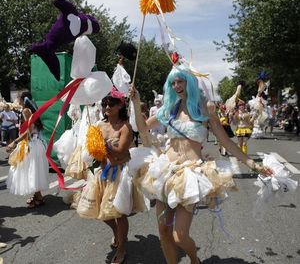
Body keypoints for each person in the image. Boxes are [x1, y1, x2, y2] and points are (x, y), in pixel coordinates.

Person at [129, 64, 272, 264]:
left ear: (190, 82)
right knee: (163, 232)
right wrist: (136, 103)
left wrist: (252, 164)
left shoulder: (205, 107)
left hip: (190, 175)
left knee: (180, 236)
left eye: (181, 81)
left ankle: (194, 260)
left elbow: (225, 141)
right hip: (165, 173)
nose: (177, 85)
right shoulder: (170, 107)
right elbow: (143, 129)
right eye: (173, 82)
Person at [93, 89, 146, 264]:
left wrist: (101, 144)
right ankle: (116, 233)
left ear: (119, 106)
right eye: (105, 103)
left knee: (119, 214)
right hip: (103, 173)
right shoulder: (99, 126)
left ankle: (122, 248)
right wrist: (91, 145)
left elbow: (120, 151)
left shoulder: (126, 127)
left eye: (111, 103)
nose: (107, 106)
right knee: (100, 211)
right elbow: (97, 154)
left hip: (120, 175)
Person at [6, 107, 49, 208]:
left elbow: (28, 132)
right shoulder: (26, 110)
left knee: (31, 171)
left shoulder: (26, 110)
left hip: (33, 146)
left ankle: (39, 198)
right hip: (31, 145)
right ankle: (37, 196)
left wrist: (14, 142)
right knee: (30, 171)